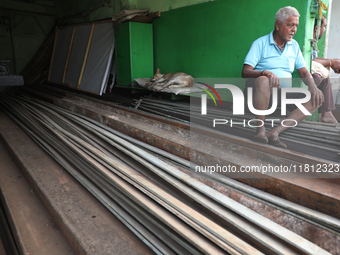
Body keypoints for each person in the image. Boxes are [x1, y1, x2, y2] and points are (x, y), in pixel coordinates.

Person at [241, 6, 324, 149]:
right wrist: (265, 73)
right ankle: (260, 130)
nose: (294, 29)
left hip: (282, 94)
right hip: (259, 91)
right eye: (290, 25)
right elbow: (245, 72)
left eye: (296, 25)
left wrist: (313, 87)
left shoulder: (294, 46)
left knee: (317, 98)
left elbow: (304, 72)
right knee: (263, 81)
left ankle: (274, 132)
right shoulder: (260, 43)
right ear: (278, 25)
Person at [311, 15, 339, 124]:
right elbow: (308, 63)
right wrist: (331, 62)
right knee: (318, 76)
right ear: (317, 28)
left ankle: (327, 114)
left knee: (324, 74)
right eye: (324, 27)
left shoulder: (313, 43)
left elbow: (313, 59)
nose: (325, 29)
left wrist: (331, 62)